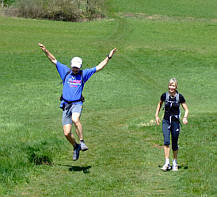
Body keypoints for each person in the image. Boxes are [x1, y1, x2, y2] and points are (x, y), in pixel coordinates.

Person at [38, 43, 117, 161]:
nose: (75, 69)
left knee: (76, 119)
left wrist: (108, 57)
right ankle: (76, 146)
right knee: (66, 133)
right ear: (71, 65)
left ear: (80, 67)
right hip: (65, 105)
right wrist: (45, 50)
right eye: (74, 67)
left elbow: (99, 67)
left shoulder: (83, 74)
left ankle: (82, 141)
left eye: (77, 67)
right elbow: (54, 60)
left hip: (77, 104)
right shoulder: (65, 71)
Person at [155, 78, 189, 171]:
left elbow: (186, 109)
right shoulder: (164, 96)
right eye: (170, 85)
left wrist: (185, 117)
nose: (171, 87)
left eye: (173, 85)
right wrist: (157, 115)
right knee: (166, 141)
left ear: (176, 86)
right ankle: (167, 163)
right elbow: (159, 104)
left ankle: (174, 163)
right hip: (166, 121)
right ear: (168, 86)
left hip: (175, 122)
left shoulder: (180, 97)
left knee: (174, 142)